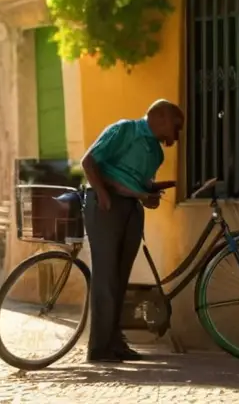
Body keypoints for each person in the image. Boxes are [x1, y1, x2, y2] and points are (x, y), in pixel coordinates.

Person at [81, 99, 184, 363]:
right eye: (177, 126)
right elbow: (89, 161)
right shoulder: (125, 129)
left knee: (120, 278)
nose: (177, 134)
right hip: (105, 206)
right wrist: (102, 194)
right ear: (160, 117)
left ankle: (116, 343)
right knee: (105, 276)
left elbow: (137, 183)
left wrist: (151, 193)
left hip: (130, 209)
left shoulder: (156, 153)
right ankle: (99, 348)